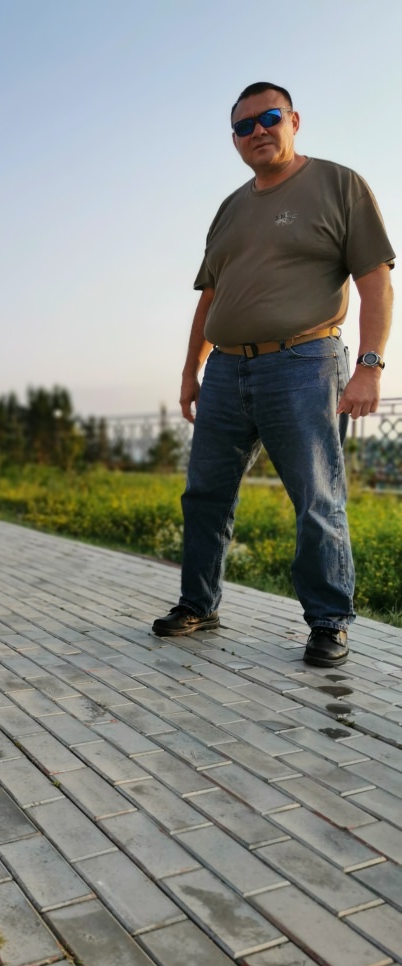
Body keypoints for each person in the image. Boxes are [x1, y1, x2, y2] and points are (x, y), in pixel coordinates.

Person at [152, 82, 394, 667]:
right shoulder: (230, 207)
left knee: (316, 496)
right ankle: (199, 604)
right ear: (234, 139)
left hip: (305, 362)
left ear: (294, 120)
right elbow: (210, 299)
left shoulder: (340, 184)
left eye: (269, 117)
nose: (257, 131)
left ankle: (329, 620)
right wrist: (192, 370)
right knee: (204, 494)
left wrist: (369, 365)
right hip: (227, 369)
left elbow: (376, 280)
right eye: (244, 126)